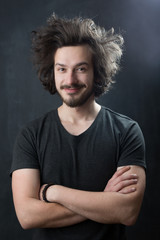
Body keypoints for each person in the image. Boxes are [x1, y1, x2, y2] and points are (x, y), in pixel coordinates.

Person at [10, 13, 146, 240]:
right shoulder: (31, 135)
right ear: (52, 72)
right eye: (62, 69)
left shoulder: (127, 131)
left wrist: (52, 192)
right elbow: (27, 216)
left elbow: (127, 211)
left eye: (81, 68)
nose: (70, 80)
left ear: (97, 72)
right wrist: (103, 200)